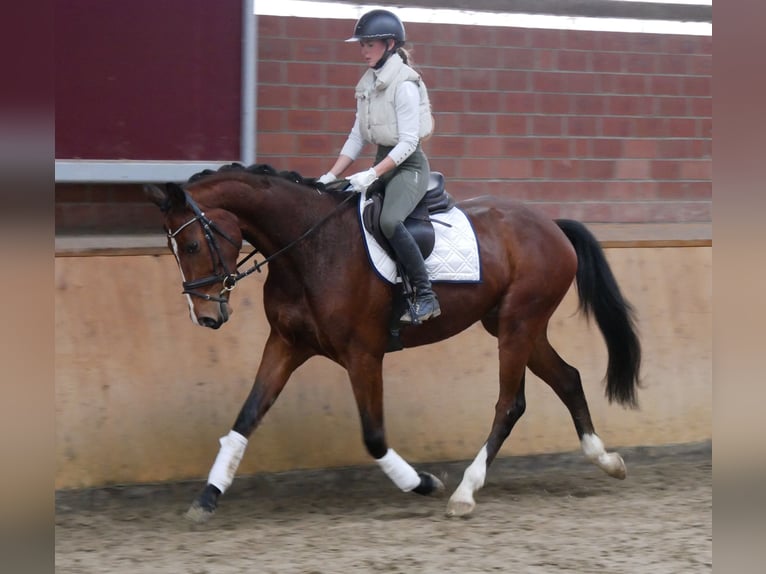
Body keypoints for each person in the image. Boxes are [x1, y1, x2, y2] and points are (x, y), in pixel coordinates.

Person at [318, 9, 440, 324]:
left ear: (389, 44)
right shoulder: (369, 84)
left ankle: (426, 295)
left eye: (369, 44)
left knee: (389, 221)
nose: (364, 50)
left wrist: (373, 174)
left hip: (408, 166)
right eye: (362, 45)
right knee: (340, 205)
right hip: (384, 161)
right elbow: (357, 136)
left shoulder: (405, 84)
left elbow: (409, 143)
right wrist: (332, 176)